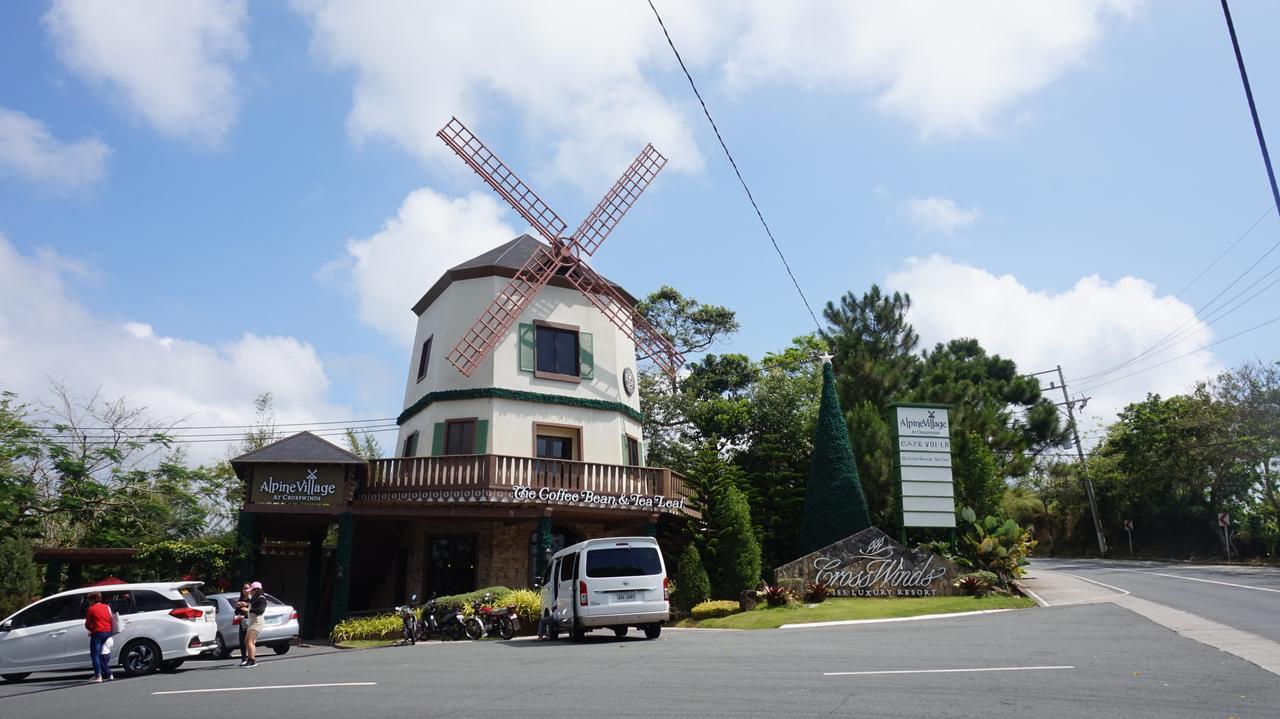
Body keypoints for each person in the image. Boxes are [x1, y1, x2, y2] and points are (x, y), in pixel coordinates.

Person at [84, 592, 114, 683]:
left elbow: (87, 624)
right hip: (107, 632)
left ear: (93, 600)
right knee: (103, 652)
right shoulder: (106, 607)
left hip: (97, 633)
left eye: (89, 600)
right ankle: (108, 673)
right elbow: (110, 618)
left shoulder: (91, 609)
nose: (88, 602)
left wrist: (92, 630)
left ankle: (98, 676)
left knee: (95, 655)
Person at [241, 581, 267, 668]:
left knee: (249, 641)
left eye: (251, 590)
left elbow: (260, 610)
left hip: (257, 622)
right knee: (248, 641)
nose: (250, 592)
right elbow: (253, 606)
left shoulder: (261, 599)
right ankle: (250, 659)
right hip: (252, 622)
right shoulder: (255, 598)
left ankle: (252, 660)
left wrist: (248, 610)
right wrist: (246, 604)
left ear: (256, 590)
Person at [234, 583, 251, 660]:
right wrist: (237, 607)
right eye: (244, 589)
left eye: (247, 588)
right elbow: (236, 612)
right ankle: (243, 658)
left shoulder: (252, 599)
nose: (245, 590)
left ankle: (251, 657)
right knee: (242, 640)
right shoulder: (240, 600)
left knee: (250, 641)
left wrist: (246, 605)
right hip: (243, 622)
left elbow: (253, 609)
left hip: (251, 621)